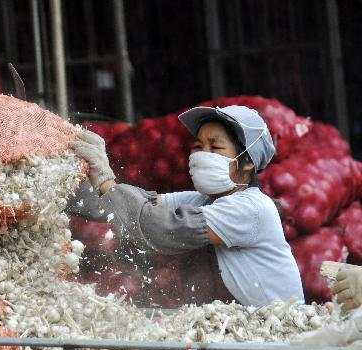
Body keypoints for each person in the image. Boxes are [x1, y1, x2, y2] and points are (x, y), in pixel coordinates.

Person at [66, 105, 304, 307]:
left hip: (275, 332)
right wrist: (59, 189)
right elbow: (127, 207)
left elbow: (162, 227)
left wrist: (105, 178)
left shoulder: (251, 209)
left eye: (216, 147)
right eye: (198, 146)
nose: (202, 155)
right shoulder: (201, 200)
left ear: (248, 161)